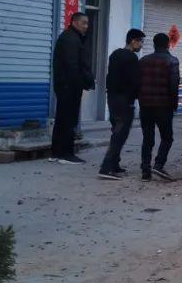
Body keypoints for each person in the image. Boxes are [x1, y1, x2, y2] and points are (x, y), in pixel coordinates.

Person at [98, 29, 145, 180]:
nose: (141, 45)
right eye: (140, 41)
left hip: (112, 99)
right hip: (125, 101)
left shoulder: (115, 55)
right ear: (133, 41)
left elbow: (110, 77)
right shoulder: (131, 58)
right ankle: (106, 168)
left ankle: (114, 165)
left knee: (116, 132)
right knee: (120, 135)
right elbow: (135, 81)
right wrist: (135, 98)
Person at [51, 12, 94, 165]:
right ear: (75, 22)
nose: (86, 26)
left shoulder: (71, 37)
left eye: (87, 23)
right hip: (69, 86)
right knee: (68, 120)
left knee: (62, 119)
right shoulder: (71, 39)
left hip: (65, 85)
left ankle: (56, 152)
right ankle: (66, 154)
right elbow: (73, 65)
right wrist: (81, 82)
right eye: (84, 23)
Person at [137, 32, 180, 181]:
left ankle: (145, 170)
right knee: (167, 137)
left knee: (147, 138)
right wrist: (174, 105)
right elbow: (174, 85)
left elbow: (138, 83)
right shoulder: (172, 61)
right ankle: (159, 165)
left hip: (145, 106)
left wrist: (140, 100)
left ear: (154, 44)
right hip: (164, 106)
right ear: (168, 44)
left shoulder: (142, 61)